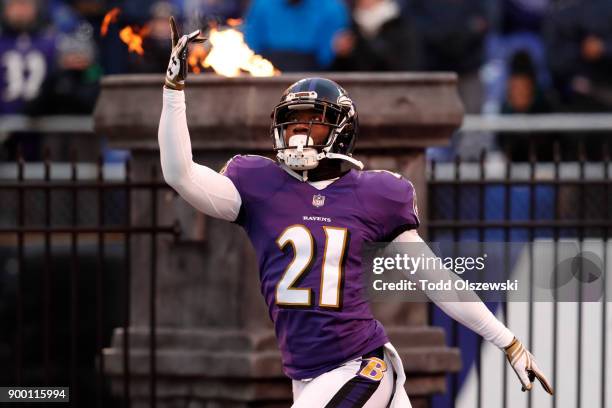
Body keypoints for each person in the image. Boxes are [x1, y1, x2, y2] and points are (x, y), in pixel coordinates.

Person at [158, 18, 554, 406]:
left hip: (360, 366)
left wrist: (508, 340)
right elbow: (180, 174)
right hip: (307, 374)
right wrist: (174, 90)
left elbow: (436, 279)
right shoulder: (260, 185)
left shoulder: (375, 194)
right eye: (292, 124)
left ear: (340, 131)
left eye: (311, 125)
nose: (297, 134)